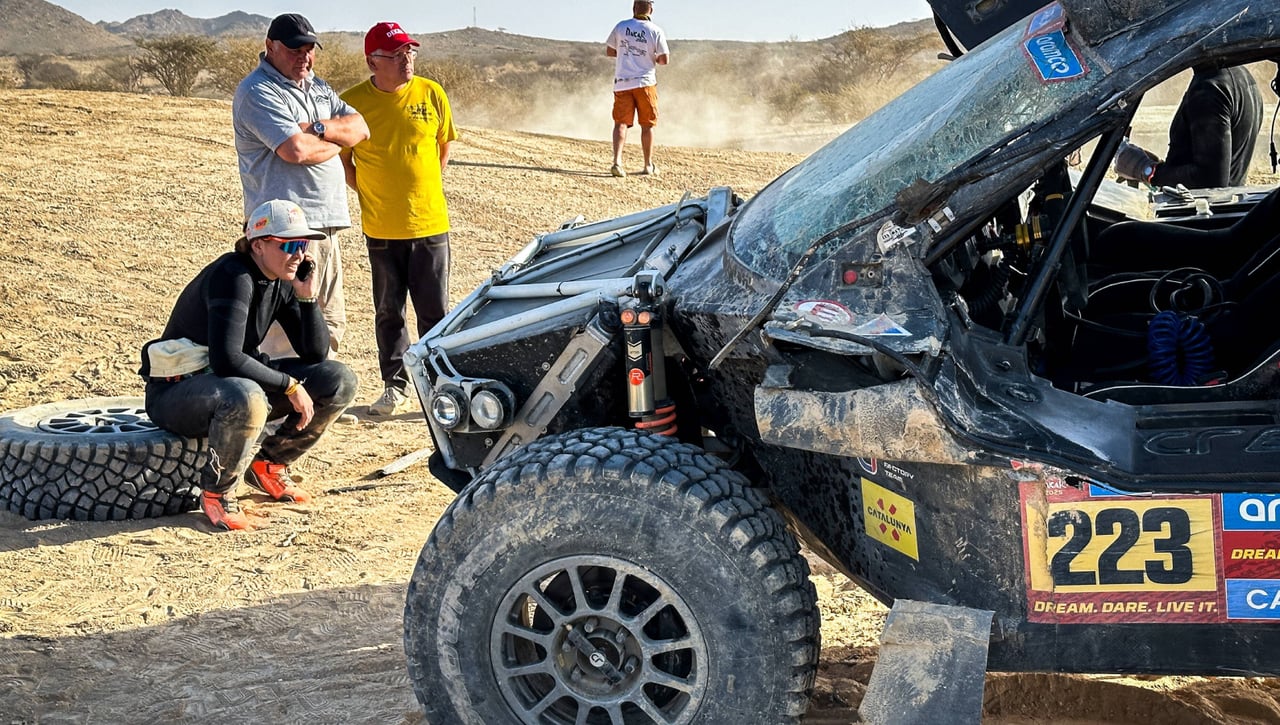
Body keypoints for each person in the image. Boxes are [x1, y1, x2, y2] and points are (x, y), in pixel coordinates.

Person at [140, 200, 359, 531]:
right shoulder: (233, 275)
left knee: (338, 379)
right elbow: (226, 357)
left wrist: (306, 297)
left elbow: (315, 354)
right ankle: (218, 492)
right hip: (176, 393)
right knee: (247, 395)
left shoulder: (280, 279)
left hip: (222, 384)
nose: (299, 254)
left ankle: (270, 464)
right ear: (258, 244)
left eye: (303, 244)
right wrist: (290, 385)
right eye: (289, 244)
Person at [232, 13, 370, 359]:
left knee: (328, 316)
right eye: (295, 49)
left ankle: (324, 401)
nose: (304, 57)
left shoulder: (319, 87)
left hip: (325, 221)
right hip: (284, 228)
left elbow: (361, 127)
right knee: (285, 322)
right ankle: (285, 406)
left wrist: (320, 129)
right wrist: (337, 142)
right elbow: (295, 150)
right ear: (270, 47)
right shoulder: (258, 90)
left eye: (309, 49)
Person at [340, 22, 459, 417]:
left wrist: (422, 189)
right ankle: (396, 386)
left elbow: (442, 147)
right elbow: (345, 163)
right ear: (372, 61)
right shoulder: (351, 104)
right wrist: (377, 195)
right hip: (381, 229)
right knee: (389, 312)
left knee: (435, 314)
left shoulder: (431, 93)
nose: (406, 59)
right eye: (395, 54)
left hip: (430, 225)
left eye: (409, 51)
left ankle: (439, 386)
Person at [1114, 63, 1262, 188]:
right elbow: (1216, 162)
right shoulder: (1241, 76)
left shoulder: (1209, 88)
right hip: (1221, 213)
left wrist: (1145, 169)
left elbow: (1211, 181)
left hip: (1202, 217)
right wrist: (1162, 165)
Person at [605, 0, 669, 178]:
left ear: (634, 8)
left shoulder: (621, 26)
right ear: (651, 9)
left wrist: (627, 53)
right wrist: (649, 56)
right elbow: (664, 60)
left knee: (620, 123)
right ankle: (648, 164)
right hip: (645, 83)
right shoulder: (655, 30)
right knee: (647, 125)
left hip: (623, 82)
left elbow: (610, 51)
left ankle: (617, 162)